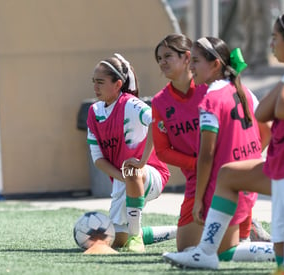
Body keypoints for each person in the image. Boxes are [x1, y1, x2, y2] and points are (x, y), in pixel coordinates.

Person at [163, 8, 284, 273]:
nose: (270, 44)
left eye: (274, 37)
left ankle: (207, 251)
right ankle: (205, 252)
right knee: (230, 177)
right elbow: (263, 114)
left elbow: (282, 109)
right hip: (281, 170)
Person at [162, 35, 274, 267]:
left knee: (220, 252)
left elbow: (206, 156)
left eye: (195, 61)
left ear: (215, 64)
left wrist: (200, 199)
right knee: (224, 251)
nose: (190, 67)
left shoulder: (211, 98)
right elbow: (267, 130)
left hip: (225, 187)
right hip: (247, 182)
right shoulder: (238, 87)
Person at [86, 54, 170, 252]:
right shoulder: (94, 112)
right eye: (93, 82)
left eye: (100, 82)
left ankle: (136, 238)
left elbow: (157, 122)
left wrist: (141, 162)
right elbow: (98, 159)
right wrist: (121, 177)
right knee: (115, 240)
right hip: (123, 181)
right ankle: (178, 231)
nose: (95, 87)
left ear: (117, 84)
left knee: (132, 170)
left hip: (152, 175)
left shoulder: (130, 104)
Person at [151, 33, 208, 251]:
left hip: (225, 176)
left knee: (225, 250)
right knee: (185, 249)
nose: (162, 62)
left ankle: (247, 228)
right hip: (196, 180)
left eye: (167, 56)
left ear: (186, 57)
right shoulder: (160, 102)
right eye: (159, 58)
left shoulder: (210, 88)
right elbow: (163, 151)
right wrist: (199, 164)